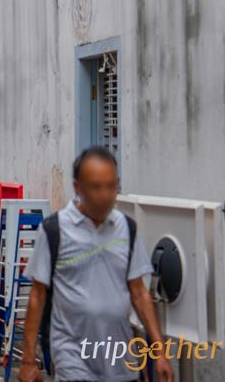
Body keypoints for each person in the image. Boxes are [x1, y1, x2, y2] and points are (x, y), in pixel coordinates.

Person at [19, 147, 174, 382]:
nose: (104, 195)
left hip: (120, 358)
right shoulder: (55, 229)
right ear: (77, 187)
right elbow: (37, 296)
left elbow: (139, 293)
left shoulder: (126, 228)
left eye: (111, 186)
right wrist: (29, 360)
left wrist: (160, 353)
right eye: (96, 187)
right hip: (72, 357)